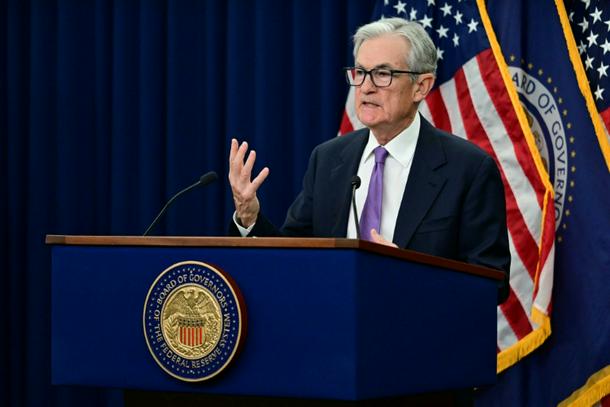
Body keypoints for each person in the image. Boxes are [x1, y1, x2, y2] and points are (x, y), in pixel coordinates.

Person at [228, 17, 510, 303]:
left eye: (383, 74)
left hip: (418, 327)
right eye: (361, 72)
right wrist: (249, 217)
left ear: (421, 87)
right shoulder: (328, 159)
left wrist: (411, 275)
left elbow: (492, 284)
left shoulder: (469, 169)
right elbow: (293, 254)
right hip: (334, 325)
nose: (365, 87)